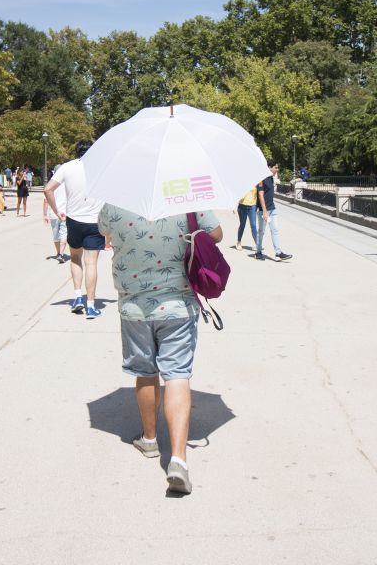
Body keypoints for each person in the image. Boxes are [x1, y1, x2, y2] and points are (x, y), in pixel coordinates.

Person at [98, 204, 223, 495]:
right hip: (179, 306)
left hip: (134, 307)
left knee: (144, 372)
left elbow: (103, 231)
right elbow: (216, 233)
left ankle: (150, 439)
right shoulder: (187, 200)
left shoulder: (115, 203)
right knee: (177, 374)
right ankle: (178, 459)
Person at [44, 141, 105, 319]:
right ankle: (91, 305)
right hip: (95, 221)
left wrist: (56, 211)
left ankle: (78, 296)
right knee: (91, 263)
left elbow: (48, 189)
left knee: (76, 258)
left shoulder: (67, 167)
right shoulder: (101, 167)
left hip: (74, 220)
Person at [255, 161, 292, 261]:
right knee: (261, 231)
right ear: (269, 168)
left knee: (275, 230)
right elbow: (260, 195)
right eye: (276, 168)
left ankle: (278, 253)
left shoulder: (271, 178)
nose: (277, 169)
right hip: (263, 211)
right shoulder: (261, 179)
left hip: (272, 209)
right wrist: (265, 212)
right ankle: (258, 252)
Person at [42, 166, 68, 263]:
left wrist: (45, 214)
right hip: (64, 213)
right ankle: (61, 253)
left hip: (53, 213)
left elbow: (46, 201)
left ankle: (58, 253)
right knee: (64, 233)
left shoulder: (50, 185)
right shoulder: (66, 184)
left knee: (56, 235)